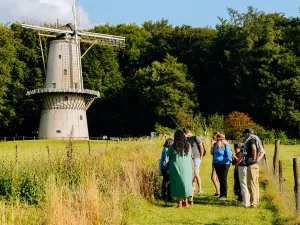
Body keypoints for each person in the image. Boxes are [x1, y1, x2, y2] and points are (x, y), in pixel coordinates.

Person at [167, 130, 193, 208]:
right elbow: (190, 155)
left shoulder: (174, 145)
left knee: (178, 183)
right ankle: (186, 202)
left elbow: (168, 153)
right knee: (185, 183)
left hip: (176, 166)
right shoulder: (188, 145)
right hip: (187, 167)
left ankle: (179, 204)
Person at [242, 128, 265, 208]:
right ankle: (255, 202)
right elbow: (262, 151)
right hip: (254, 165)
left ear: (248, 133)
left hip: (252, 166)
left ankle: (254, 203)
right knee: (255, 184)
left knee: (251, 184)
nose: (244, 136)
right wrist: (256, 160)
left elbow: (254, 148)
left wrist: (253, 158)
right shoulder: (255, 138)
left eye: (244, 134)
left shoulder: (251, 139)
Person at [183, 128, 204, 194]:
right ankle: (193, 188)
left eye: (184, 134)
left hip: (196, 158)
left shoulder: (196, 137)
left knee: (196, 173)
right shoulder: (186, 139)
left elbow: (201, 147)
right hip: (189, 158)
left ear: (187, 133)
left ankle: (200, 189)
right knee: (192, 174)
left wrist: (201, 157)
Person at [212, 133, 232, 200]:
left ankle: (224, 195)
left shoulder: (226, 145)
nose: (217, 141)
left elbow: (229, 155)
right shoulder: (216, 146)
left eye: (218, 139)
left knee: (223, 179)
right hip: (217, 164)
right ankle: (221, 194)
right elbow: (212, 153)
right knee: (220, 179)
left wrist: (223, 162)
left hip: (224, 164)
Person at [210, 131, 220, 196]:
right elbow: (211, 152)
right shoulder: (215, 144)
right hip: (214, 162)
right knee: (216, 178)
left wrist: (212, 144)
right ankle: (218, 191)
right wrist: (212, 145)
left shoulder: (218, 144)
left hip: (217, 163)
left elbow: (212, 152)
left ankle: (218, 192)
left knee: (213, 178)